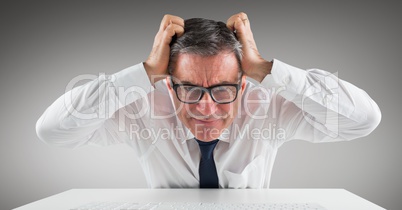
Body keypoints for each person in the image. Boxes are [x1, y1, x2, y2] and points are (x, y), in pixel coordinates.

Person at [36, 13, 381, 188]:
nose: (206, 108)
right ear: (169, 86)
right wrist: (142, 74)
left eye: (221, 90)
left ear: (244, 85)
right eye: (191, 90)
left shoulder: (269, 108)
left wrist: (268, 70)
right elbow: (53, 131)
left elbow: (362, 120)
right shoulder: (143, 111)